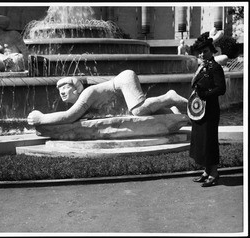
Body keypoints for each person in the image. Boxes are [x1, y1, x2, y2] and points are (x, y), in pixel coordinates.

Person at [27, 69, 188, 126]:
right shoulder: (84, 101)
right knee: (144, 112)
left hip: (124, 80)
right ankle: (171, 111)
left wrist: (41, 118)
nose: (62, 92)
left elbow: (69, 116)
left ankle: (169, 97)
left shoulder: (86, 95)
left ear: (76, 90)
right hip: (122, 83)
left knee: (138, 111)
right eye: (60, 89)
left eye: (66, 88)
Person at [189, 36, 226, 187]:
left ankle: (214, 174)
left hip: (210, 110)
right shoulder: (202, 66)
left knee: (209, 141)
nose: (202, 54)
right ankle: (206, 171)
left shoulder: (215, 68)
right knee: (202, 141)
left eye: (205, 51)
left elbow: (221, 89)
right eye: (200, 52)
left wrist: (206, 93)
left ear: (211, 51)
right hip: (200, 110)